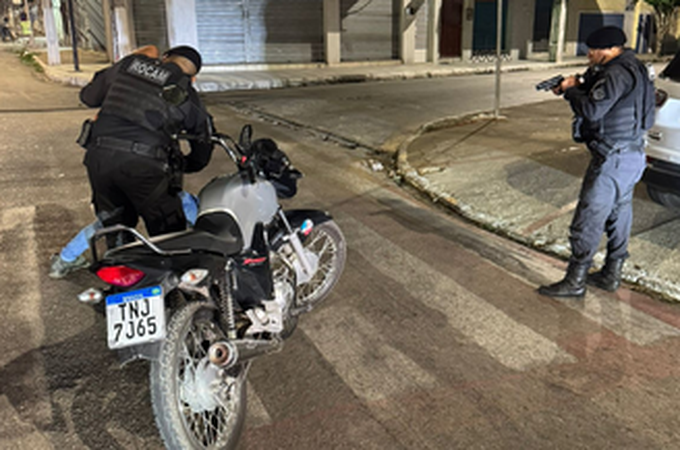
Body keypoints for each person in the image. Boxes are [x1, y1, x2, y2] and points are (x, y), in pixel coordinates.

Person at [538, 26, 653, 298]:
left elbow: (592, 110)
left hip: (612, 159)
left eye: (595, 50)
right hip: (632, 156)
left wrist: (570, 91)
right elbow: (599, 89)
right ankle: (611, 274)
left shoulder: (615, 74)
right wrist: (577, 82)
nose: (589, 54)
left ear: (613, 49)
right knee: (619, 214)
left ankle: (575, 280)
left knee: (588, 218)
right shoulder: (633, 68)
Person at [77, 45, 214, 251]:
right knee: (169, 234)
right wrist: (187, 164)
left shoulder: (130, 65)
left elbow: (88, 96)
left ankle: (121, 269)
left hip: (98, 159)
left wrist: (135, 56)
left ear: (165, 58)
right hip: (145, 167)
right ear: (193, 77)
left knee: (116, 229)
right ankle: (169, 273)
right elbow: (203, 140)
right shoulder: (184, 90)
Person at [49, 191, 199, 278]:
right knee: (182, 202)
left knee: (108, 222)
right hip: (149, 174)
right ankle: (199, 252)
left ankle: (64, 260)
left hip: (109, 170)